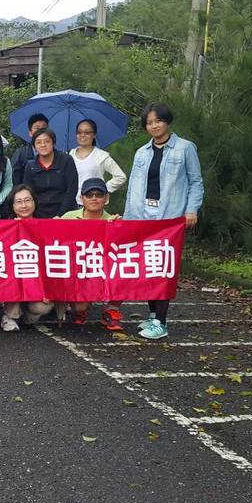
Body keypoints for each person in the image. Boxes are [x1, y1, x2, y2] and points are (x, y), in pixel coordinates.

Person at [124, 102, 204, 340]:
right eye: (149, 123)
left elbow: (196, 182)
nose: (154, 126)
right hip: (143, 216)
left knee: (163, 268)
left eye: (157, 121)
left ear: (167, 121)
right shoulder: (142, 152)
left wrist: (191, 210)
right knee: (148, 268)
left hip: (169, 218)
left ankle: (161, 321)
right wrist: (129, 219)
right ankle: (152, 315)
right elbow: (133, 188)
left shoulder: (185, 148)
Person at [61, 177, 124, 329]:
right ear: (82, 198)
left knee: (123, 270)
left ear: (106, 198)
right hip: (78, 271)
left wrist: (120, 228)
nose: (94, 198)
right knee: (79, 308)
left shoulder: (114, 221)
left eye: (99, 194)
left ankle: (111, 310)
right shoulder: (68, 217)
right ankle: (81, 310)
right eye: (89, 195)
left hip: (103, 271)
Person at [1, 184, 54, 332]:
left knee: (42, 307)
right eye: (18, 202)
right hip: (13, 279)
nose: (24, 205)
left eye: (27, 200)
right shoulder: (4, 228)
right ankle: (9, 316)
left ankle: (28, 315)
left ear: (35, 202)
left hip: (37, 281)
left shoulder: (46, 226)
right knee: (13, 278)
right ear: (12, 206)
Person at [69, 119, 127, 205]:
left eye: (87, 132)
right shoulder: (70, 155)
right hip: (71, 203)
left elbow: (121, 177)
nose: (82, 135)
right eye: (79, 132)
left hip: (93, 204)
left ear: (94, 135)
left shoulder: (101, 156)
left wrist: (102, 189)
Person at [22, 129, 78, 218]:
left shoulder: (66, 160)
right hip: (39, 214)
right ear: (34, 146)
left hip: (66, 213)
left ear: (53, 143)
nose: (43, 145)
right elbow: (29, 193)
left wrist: (60, 215)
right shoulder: (30, 166)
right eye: (38, 142)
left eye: (47, 141)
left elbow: (72, 190)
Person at [11, 114, 49, 185]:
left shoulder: (55, 154)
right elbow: (14, 179)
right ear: (30, 133)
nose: (41, 131)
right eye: (37, 128)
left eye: (44, 128)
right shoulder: (21, 154)